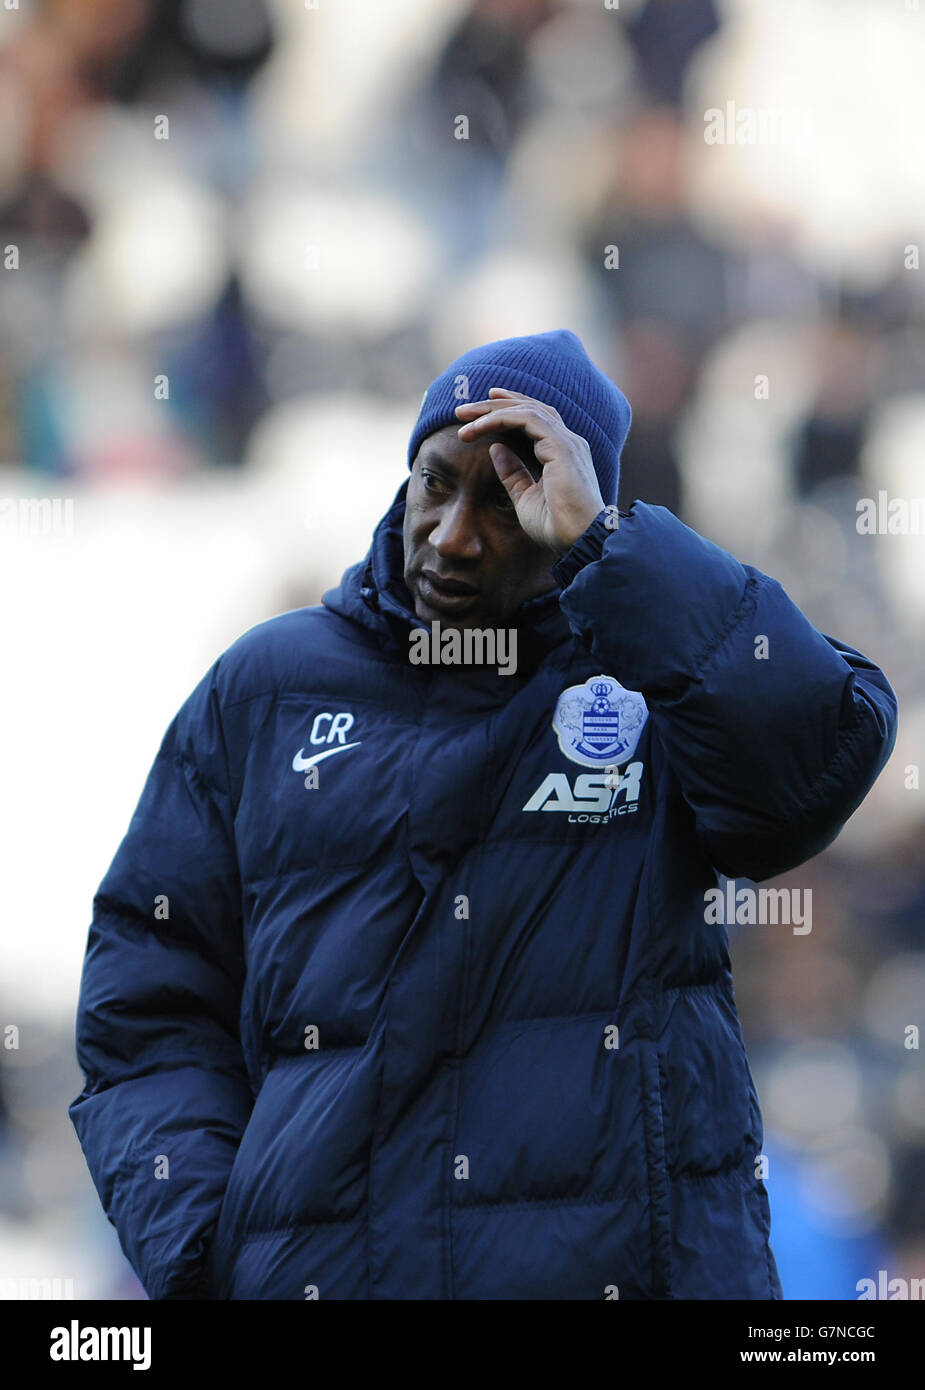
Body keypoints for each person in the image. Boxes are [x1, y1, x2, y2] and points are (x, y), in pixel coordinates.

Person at [68, 329, 897, 1300]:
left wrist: (613, 551)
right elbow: (148, 1004)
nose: (454, 535)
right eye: (434, 484)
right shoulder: (266, 690)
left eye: (504, 500)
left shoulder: (649, 672)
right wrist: (211, 1247)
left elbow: (818, 758)